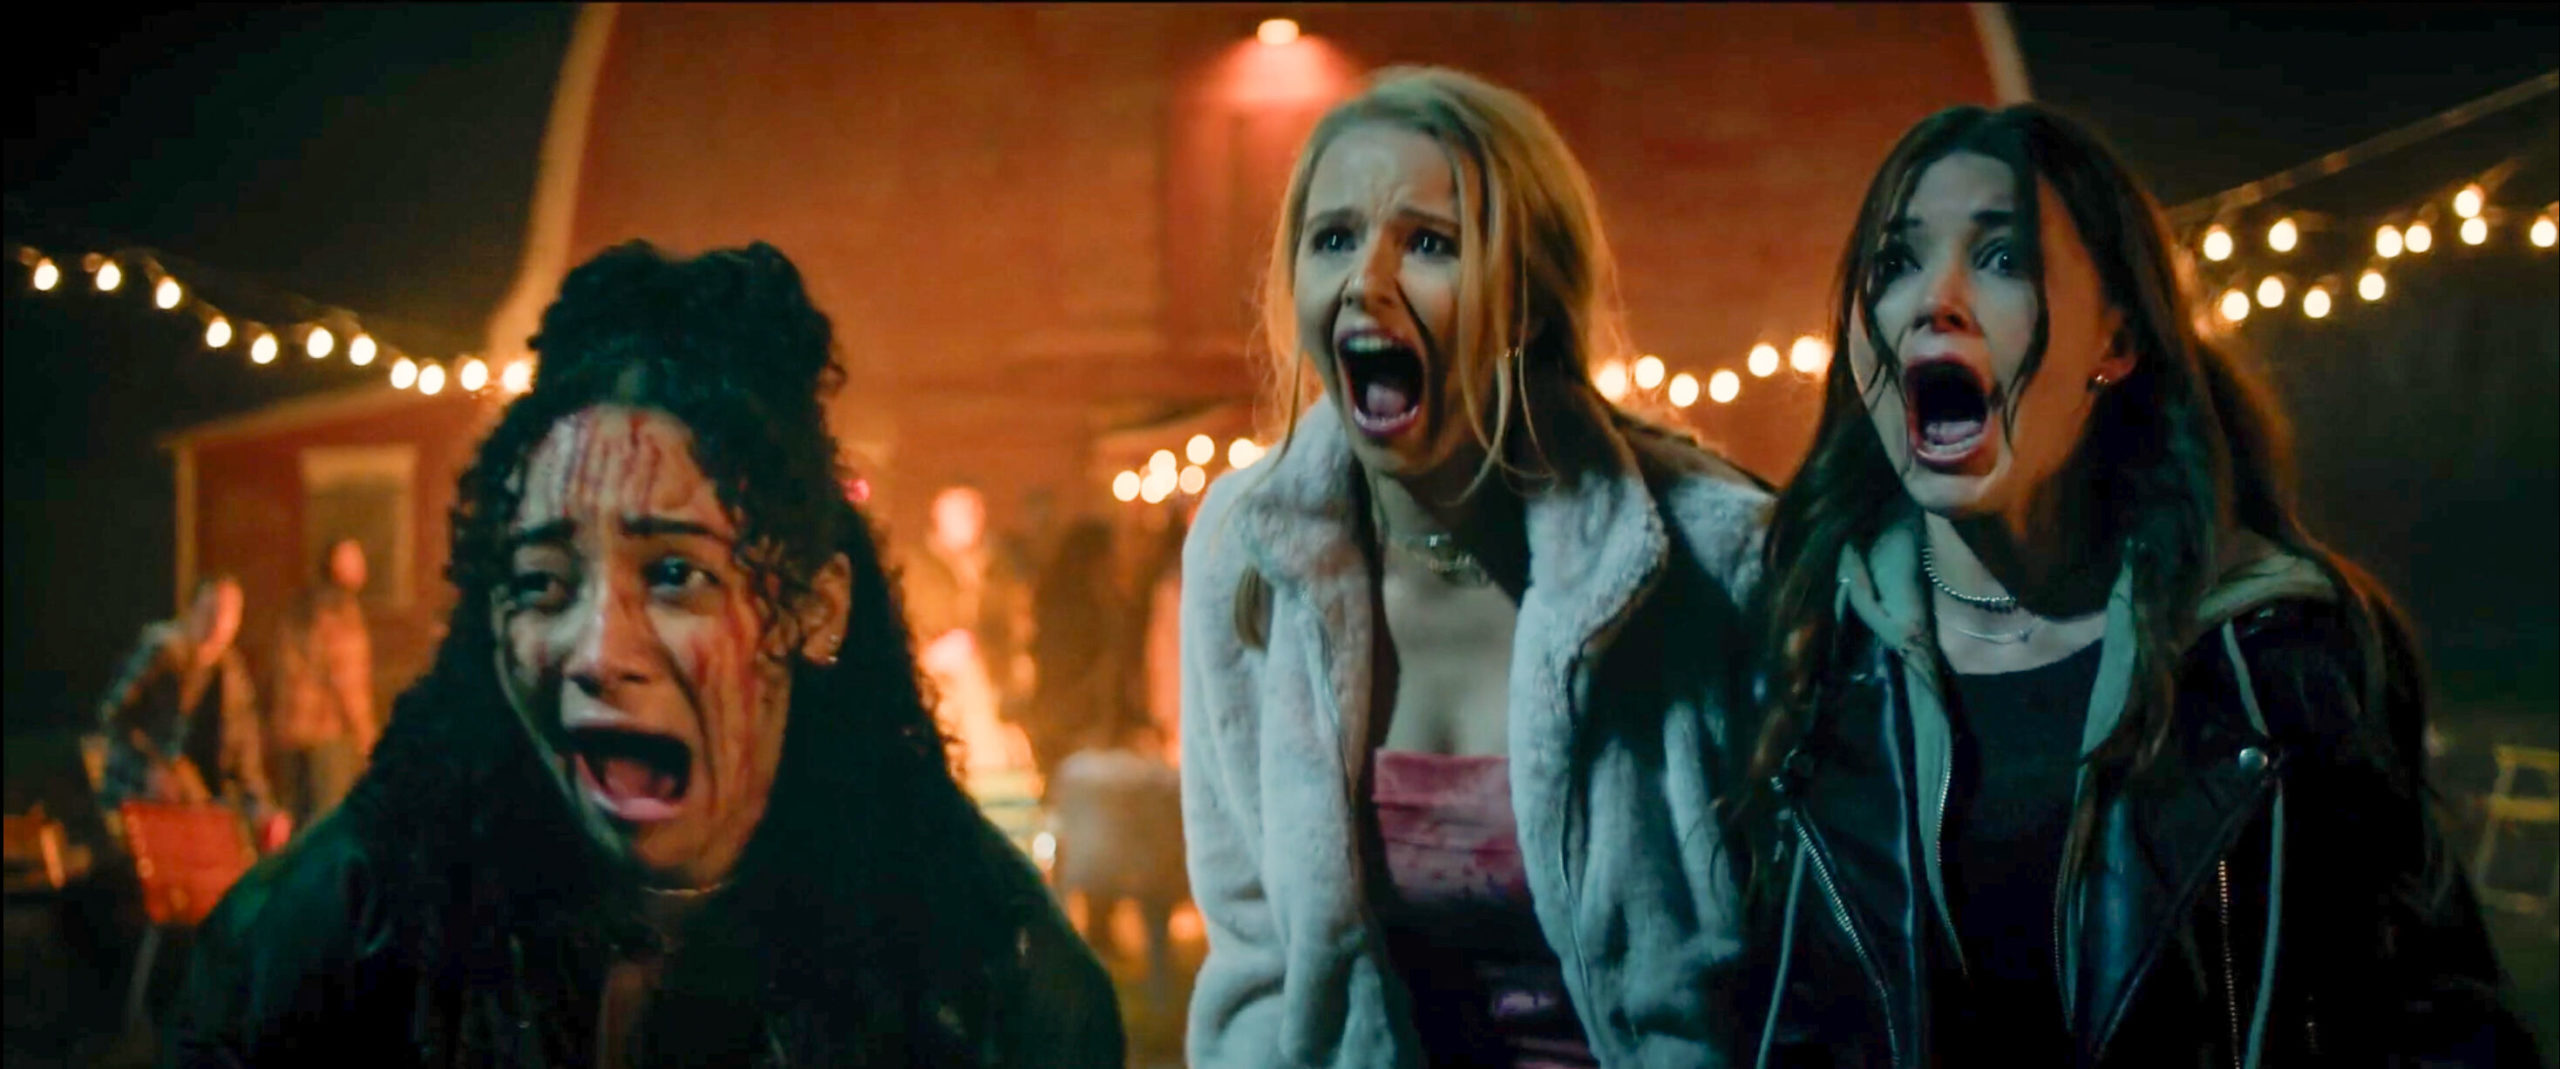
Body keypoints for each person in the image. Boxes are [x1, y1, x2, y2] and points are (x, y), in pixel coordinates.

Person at [166, 241, 1123, 1066]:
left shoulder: (991, 985)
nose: (597, 652)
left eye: (674, 573)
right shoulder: (323, 946)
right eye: (542, 582)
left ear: (815, 608)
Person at [1739, 103, 2534, 1067]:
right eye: (1895, 262)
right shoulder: (1809, 653)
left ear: (2115, 342)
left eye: (2003, 258)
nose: (1933, 299)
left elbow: (2433, 1022)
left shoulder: (2275, 657)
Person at [1180, 67, 1771, 1067]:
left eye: (1429, 243)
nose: (1366, 282)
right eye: (1334, 238)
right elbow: (1257, 960)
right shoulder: (1245, 551)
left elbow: (1802, 956)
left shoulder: (1711, 555)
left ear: (1529, 299)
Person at [96, 575, 272, 821]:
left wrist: (262, 808)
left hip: (196, 804)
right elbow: (114, 715)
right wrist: (149, 769)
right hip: (138, 793)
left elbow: (244, 753)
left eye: (228, 614)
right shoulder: (161, 651)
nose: (217, 622)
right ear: (192, 611)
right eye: (210, 610)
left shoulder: (232, 676)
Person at [905, 484, 1037, 776]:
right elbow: (901, 624)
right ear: (937, 514)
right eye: (957, 511)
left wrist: (1018, 662)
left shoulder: (1001, 567)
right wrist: (927, 654)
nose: (968, 519)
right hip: (937, 684)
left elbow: (1017, 620)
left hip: (995, 681)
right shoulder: (916, 568)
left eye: (973, 510)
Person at [267, 537, 378, 827]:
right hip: (326, 739)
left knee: (298, 824)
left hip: (290, 736)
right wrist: (369, 743)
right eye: (355, 560)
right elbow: (349, 685)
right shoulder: (342, 613)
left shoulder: (300, 606)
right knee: (325, 826)